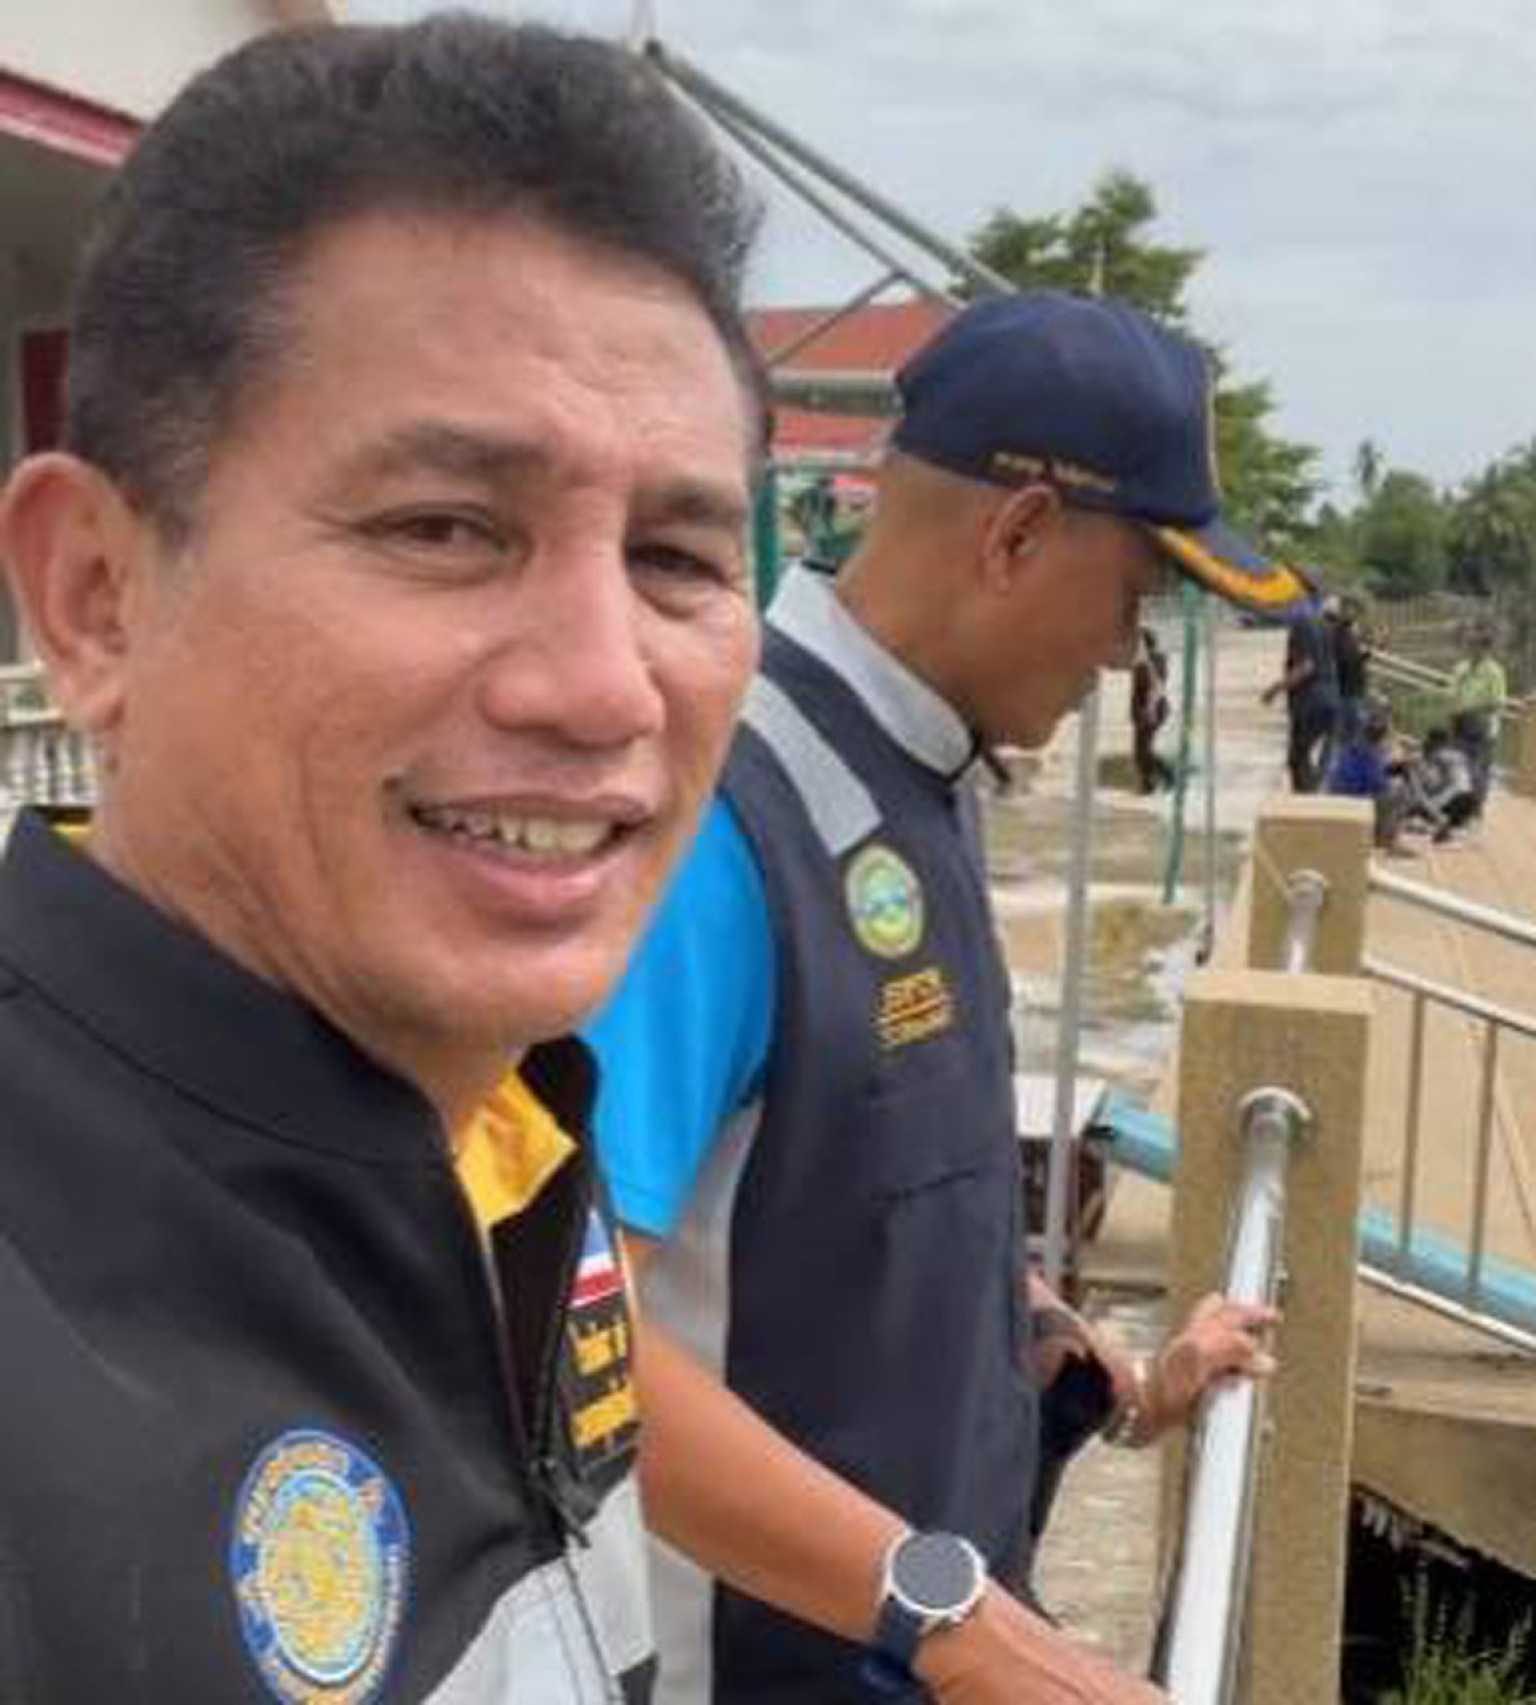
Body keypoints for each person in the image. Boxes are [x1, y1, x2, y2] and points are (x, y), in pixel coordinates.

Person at [0, 18, 767, 1700]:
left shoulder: (505, 1134)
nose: (604, 686)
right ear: (96, 599)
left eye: (676, 557)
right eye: (444, 529)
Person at [587, 292, 1302, 1704]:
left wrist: (1091, 1360)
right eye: (1133, 595)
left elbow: (858, 1181)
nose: (1125, 652)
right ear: (1019, 535)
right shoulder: (726, 820)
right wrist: (970, 1633)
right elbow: (571, 1337)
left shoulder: (924, 767)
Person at [1261, 584, 1341, 792]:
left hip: (1310, 702)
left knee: (1298, 758)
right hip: (1329, 698)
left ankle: (1306, 800)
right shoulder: (1324, 625)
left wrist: (1275, 689)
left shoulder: (1303, 626)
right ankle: (1309, 795)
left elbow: (1306, 666)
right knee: (1301, 756)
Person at [1327, 700, 1409, 852]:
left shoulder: (1358, 739)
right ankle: (1386, 840)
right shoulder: (1368, 745)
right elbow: (1375, 781)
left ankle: (1382, 835)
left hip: (1344, 795)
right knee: (1399, 790)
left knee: (1396, 783)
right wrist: (1396, 769)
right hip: (1354, 797)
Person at [1447, 622, 1507, 823]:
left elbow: (1497, 702)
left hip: (1483, 727)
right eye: (1468, 643)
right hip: (1460, 723)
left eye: (1474, 644)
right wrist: (1454, 714)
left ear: (1485, 648)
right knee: (1458, 765)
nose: (1470, 647)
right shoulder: (1460, 668)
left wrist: (1472, 710)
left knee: (1478, 771)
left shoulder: (1495, 672)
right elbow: (1452, 694)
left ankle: (1476, 810)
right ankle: (1458, 808)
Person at [1129, 624, 1175, 792]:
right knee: (1141, 750)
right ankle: (1149, 783)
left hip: (1151, 708)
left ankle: (1166, 775)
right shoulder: (1150, 660)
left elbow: (1156, 687)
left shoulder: (1150, 661)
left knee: (1141, 751)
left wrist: (1150, 709)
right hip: (1149, 708)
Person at [1331, 593, 1373, 743]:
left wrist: (1367, 653)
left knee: (1351, 734)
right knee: (1348, 735)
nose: (1353, 613)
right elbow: (1345, 660)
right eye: (1349, 609)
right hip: (1346, 692)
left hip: (1354, 691)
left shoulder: (1349, 632)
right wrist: (1364, 654)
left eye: (1355, 610)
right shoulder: (1338, 633)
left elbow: (1352, 658)